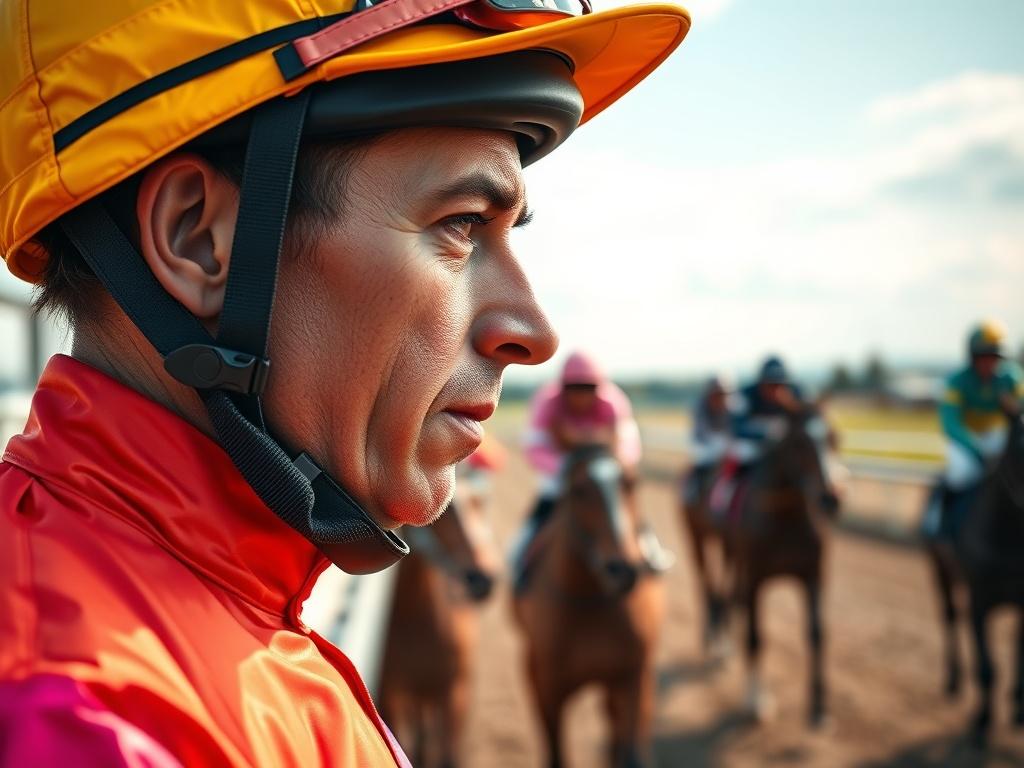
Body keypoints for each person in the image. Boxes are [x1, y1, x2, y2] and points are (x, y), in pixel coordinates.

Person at [0, 1, 691, 764]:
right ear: (199, 239)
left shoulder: (227, 598)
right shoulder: (81, 724)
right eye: (462, 224)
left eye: (510, 232)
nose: (533, 330)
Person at [513, 350, 669, 588]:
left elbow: (629, 443)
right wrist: (565, 467)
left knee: (624, 504)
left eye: (588, 388)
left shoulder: (613, 402)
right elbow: (534, 447)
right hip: (561, 471)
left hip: (604, 468)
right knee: (541, 512)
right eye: (575, 388)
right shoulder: (546, 403)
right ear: (563, 387)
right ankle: (519, 558)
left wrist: (616, 465)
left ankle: (651, 548)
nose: (582, 396)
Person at [922, 321, 1024, 541]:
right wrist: (977, 450)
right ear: (973, 357)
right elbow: (950, 424)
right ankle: (939, 523)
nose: (990, 364)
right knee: (961, 473)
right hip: (964, 441)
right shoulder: (956, 383)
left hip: (998, 436)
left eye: (995, 358)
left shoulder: (1012, 378)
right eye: (984, 357)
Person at [710, 356, 832, 519]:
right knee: (740, 453)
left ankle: (828, 492)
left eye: (779, 384)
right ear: (761, 383)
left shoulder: (797, 392)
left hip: (784, 445)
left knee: (812, 455)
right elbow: (737, 428)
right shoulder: (744, 396)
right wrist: (766, 432)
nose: (775, 390)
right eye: (770, 385)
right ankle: (723, 500)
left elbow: (813, 417)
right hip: (753, 445)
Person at [683, 375, 733, 507]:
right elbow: (701, 432)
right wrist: (722, 442)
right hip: (702, 443)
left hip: (724, 443)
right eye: (717, 394)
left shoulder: (732, 406)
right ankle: (693, 491)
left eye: (723, 394)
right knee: (703, 459)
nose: (721, 398)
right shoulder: (700, 406)